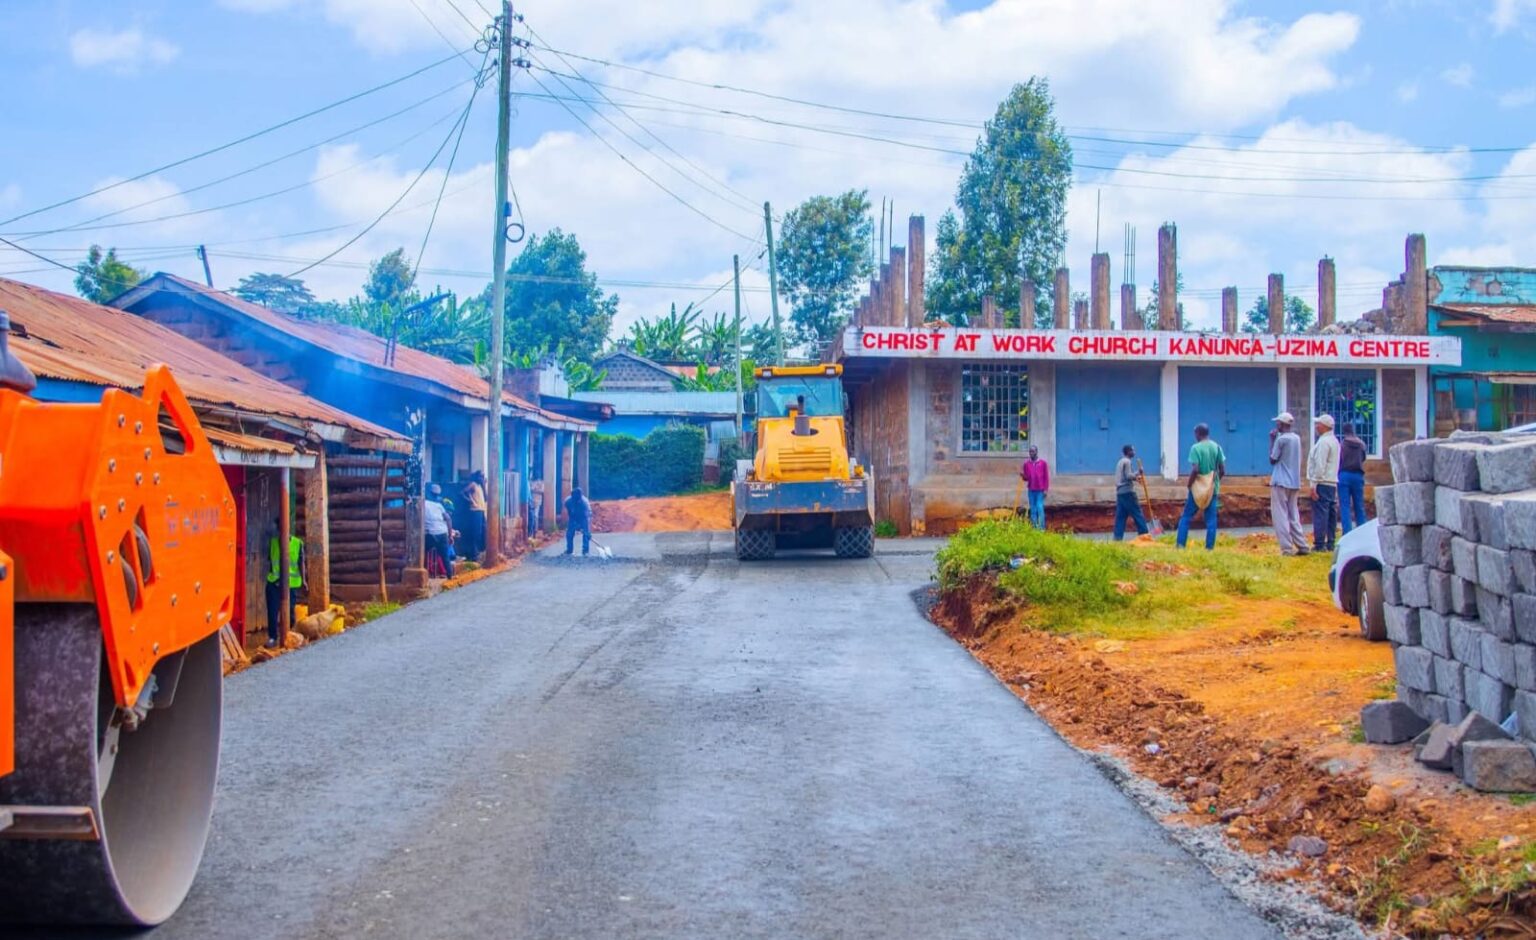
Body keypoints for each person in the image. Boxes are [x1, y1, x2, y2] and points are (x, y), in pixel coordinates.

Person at [1176, 423, 1225, 551]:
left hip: (1197, 489)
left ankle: (1180, 545)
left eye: (1195, 434)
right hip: (1212, 489)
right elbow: (1222, 470)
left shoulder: (1195, 448)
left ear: (1198, 433)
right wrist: (1214, 482)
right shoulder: (1217, 447)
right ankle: (1209, 548)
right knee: (1211, 520)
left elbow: (1195, 469)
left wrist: (1189, 484)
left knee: (1186, 517)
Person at [1268, 412, 1309, 556]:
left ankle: (1286, 548)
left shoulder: (1281, 440)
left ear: (1282, 424)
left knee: (1280, 515)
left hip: (1280, 481)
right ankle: (1302, 545)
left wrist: (1272, 440)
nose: (1276, 425)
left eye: (1278, 422)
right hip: (1294, 482)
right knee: (1293, 514)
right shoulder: (1296, 438)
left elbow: (1272, 459)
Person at [265, 521, 305, 648]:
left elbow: (301, 563)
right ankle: (273, 637)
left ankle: (289, 633)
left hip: (290, 584)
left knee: (290, 611)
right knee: (272, 612)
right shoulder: (273, 543)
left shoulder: (298, 543)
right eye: (280, 527)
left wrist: (304, 581)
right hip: (274, 583)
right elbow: (271, 562)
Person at [1309, 414, 1341, 552]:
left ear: (1325, 426)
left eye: (1318, 424)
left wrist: (1314, 484)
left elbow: (1320, 465)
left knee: (1321, 513)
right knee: (1331, 514)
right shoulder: (1334, 441)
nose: (1316, 427)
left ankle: (1319, 543)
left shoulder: (1323, 442)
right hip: (1332, 481)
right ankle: (1331, 542)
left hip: (1322, 482)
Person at [1113, 444, 1149, 541]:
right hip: (1128, 492)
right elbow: (1128, 476)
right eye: (1133, 450)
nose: (1134, 452)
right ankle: (1144, 535)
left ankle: (1117, 539)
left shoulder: (1120, 462)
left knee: (1120, 517)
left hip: (1120, 493)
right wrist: (1138, 474)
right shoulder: (1127, 461)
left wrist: (1137, 475)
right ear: (1128, 452)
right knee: (1137, 513)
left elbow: (1125, 476)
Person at [1337, 421, 1368, 534]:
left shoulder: (1342, 445)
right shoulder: (1361, 444)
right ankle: (1362, 531)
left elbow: (1339, 460)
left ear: (1344, 431)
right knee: (1359, 505)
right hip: (1358, 475)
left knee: (1345, 506)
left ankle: (1347, 532)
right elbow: (1363, 458)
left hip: (1344, 474)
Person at [424, 483, 452, 577]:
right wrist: (450, 535)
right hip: (442, 533)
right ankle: (450, 576)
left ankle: (425, 572)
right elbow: (448, 519)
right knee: (445, 556)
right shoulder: (439, 505)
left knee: (422, 552)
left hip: (429, 534)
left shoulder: (423, 503)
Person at [1020, 444, 1050, 530]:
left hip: (1040, 490)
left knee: (1039, 507)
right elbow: (1027, 478)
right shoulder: (1026, 464)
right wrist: (1023, 476)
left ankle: (1041, 528)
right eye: (1030, 451)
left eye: (1033, 451)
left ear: (1036, 452)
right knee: (1033, 509)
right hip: (1031, 490)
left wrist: (1046, 489)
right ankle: (1034, 527)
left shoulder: (1043, 463)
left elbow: (1046, 477)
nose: (1031, 453)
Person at [461, 470, 487, 561]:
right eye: (481, 476)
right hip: (475, 510)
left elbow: (486, 498)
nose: (482, 478)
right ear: (477, 477)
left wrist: (484, 485)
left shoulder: (480, 486)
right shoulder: (473, 484)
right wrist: (470, 500)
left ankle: (478, 552)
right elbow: (462, 492)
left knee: (481, 532)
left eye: (483, 477)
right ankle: (474, 554)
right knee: (475, 533)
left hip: (481, 510)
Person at [564, 486, 592, 556]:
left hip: (584, 517)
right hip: (573, 516)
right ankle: (569, 550)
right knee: (569, 533)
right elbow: (569, 512)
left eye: (578, 499)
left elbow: (586, 516)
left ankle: (585, 551)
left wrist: (583, 528)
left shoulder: (584, 503)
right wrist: (574, 523)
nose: (577, 501)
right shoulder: (568, 501)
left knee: (586, 534)